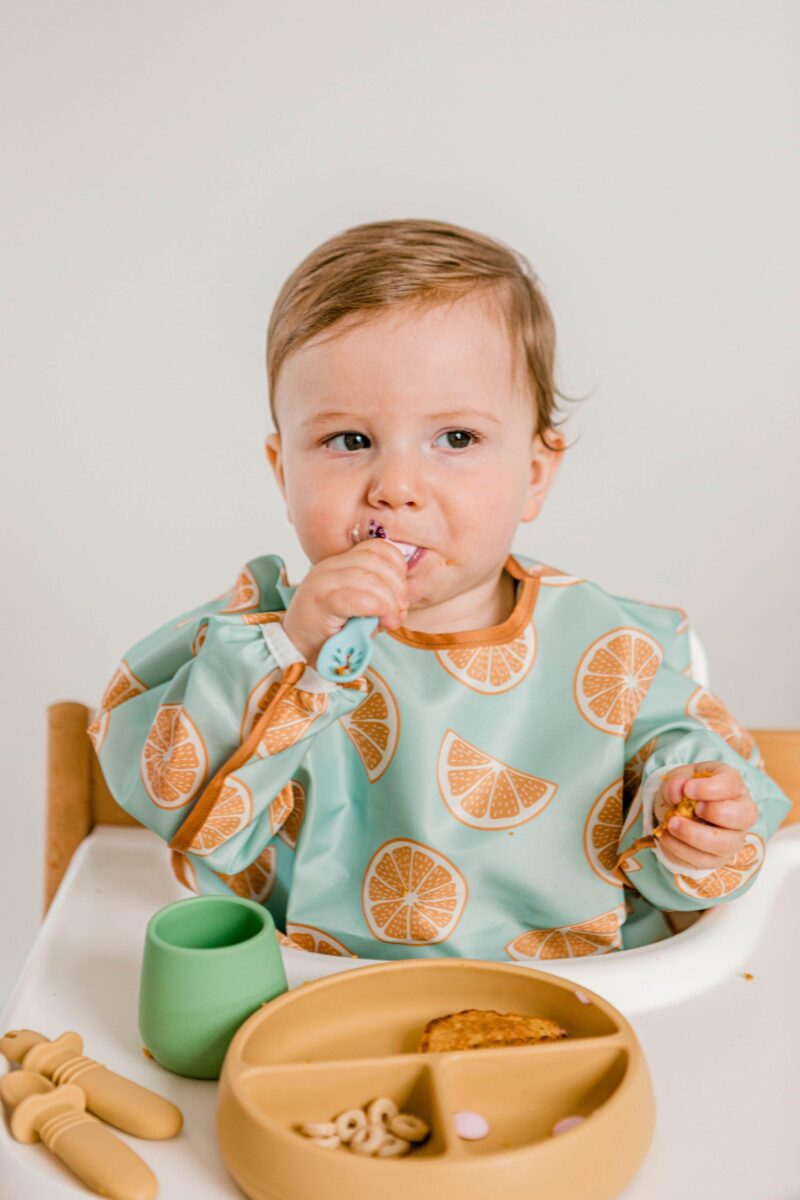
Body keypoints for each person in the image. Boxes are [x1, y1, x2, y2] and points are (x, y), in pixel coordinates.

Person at [89, 218, 791, 959]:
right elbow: (187, 806)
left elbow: (689, 810)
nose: (395, 488)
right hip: (315, 996)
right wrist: (289, 651)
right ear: (282, 472)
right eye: (349, 441)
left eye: (456, 439)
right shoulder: (261, 637)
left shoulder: (611, 648)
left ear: (533, 473)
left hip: (577, 1001)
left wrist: (692, 824)